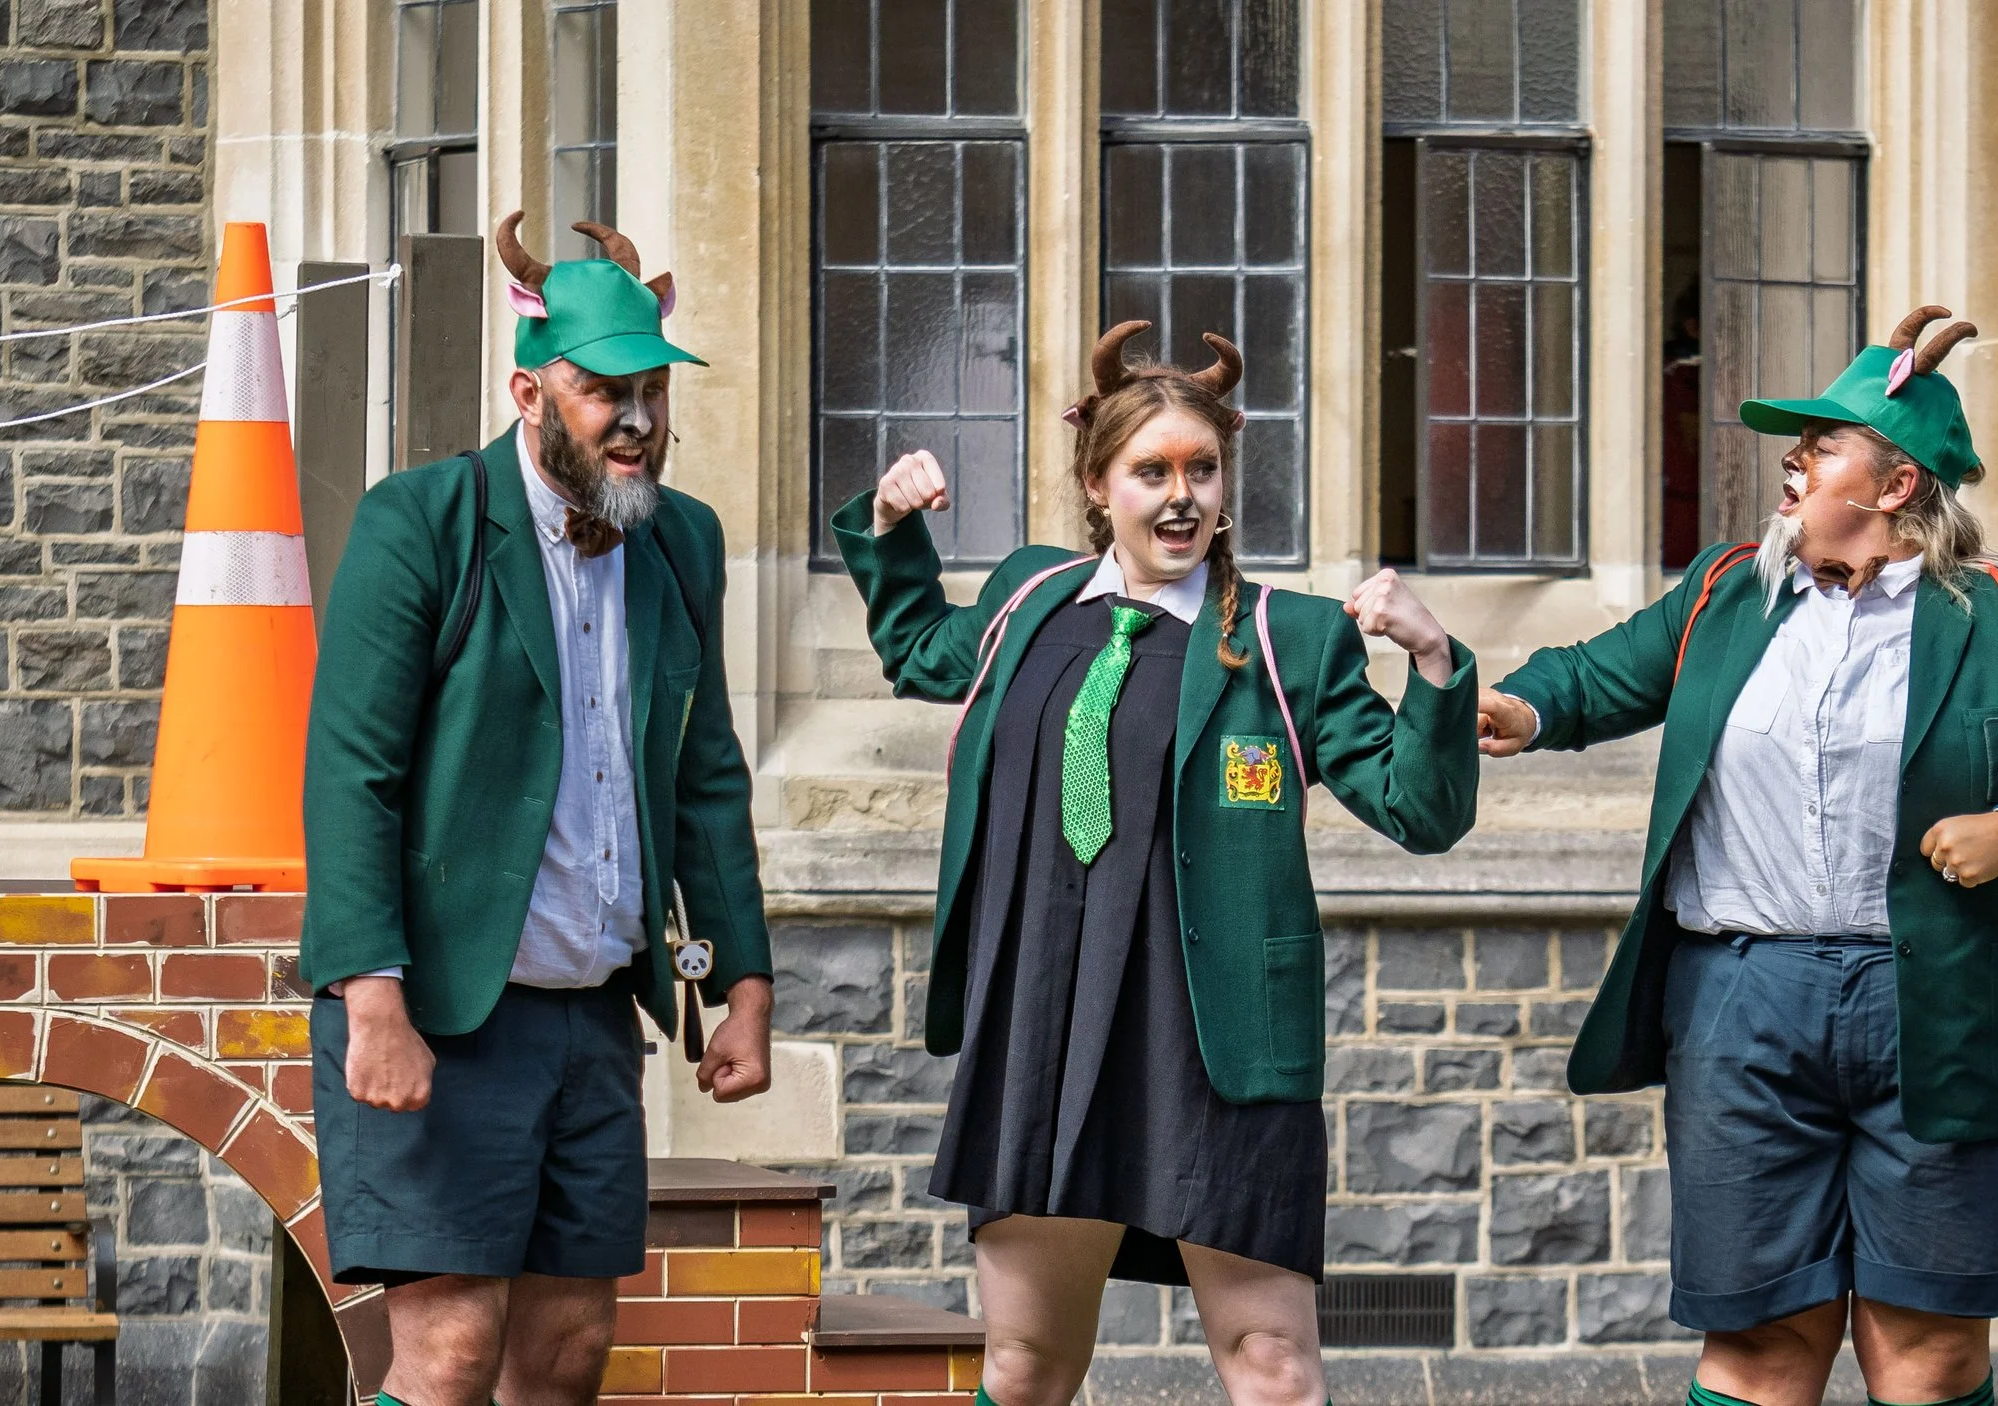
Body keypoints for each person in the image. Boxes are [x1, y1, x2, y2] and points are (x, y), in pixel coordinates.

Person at [1477, 308, 1998, 1406]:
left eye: (1819, 445)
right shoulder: (1726, 594)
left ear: (1894, 485)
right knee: (1760, 1345)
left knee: (1929, 1351)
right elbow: (1592, 676)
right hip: (1742, 1002)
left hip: (1943, 1005)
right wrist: (1517, 707)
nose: (1793, 460)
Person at [834, 322, 1479, 1406]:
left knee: (1270, 1364)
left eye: (1201, 470)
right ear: (1099, 485)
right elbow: (919, 650)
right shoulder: (1028, 600)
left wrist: (1432, 658)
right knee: (1026, 1362)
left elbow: (1420, 809)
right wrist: (892, 522)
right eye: (1151, 472)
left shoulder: (1290, 638)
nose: (1179, 496)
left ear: (1226, 485)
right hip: (1043, 1019)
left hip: (1213, 1040)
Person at [301, 212, 776, 1406]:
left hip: (591, 1015)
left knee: (564, 1355)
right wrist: (374, 999)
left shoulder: (684, 543)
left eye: (654, 391)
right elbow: (350, 771)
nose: (638, 420)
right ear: (529, 388)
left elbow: (704, 768)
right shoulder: (422, 522)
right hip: (441, 1012)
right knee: (451, 1348)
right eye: (604, 391)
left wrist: (745, 987)